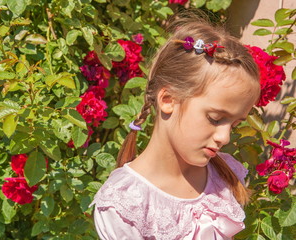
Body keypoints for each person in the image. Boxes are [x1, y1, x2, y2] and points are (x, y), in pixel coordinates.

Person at [90, 16, 260, 240]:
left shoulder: (223, 177)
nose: (225, 137)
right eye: (215, 118)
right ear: (168, 99)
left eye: (235, 124)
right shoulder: (125, 205)